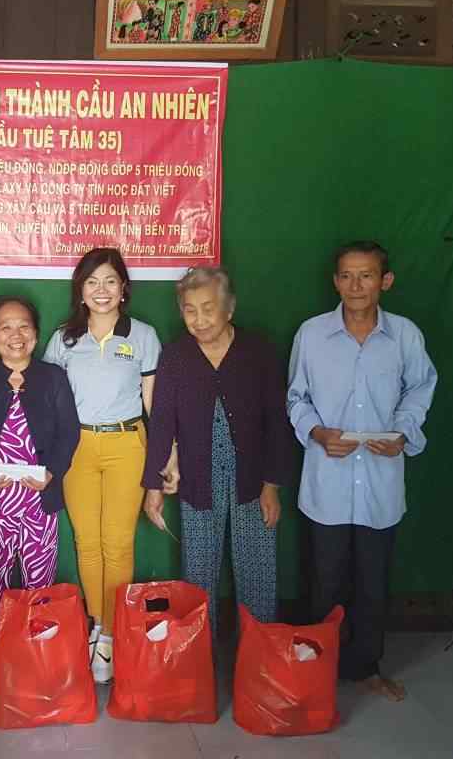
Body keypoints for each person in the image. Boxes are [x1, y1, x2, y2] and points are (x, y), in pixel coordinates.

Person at [287, 241, 437, 702]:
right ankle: (317, 672)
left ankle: (367, 668)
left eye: (367, 275)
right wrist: (316, 432)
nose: (356, 286)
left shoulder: (405, 336)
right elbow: (296, 397)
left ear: (385, 281)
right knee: (324, 581)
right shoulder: (312, 334)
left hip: (379, 479)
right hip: (327, 481)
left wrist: (403, 432)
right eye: (347, 276)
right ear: (335, 282)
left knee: (373, 582)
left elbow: (421, 388)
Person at [143, 266, 290, 642]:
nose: (200, 319)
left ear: (229, 308)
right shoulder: (176, 356)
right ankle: (198, 660)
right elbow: (162, 422)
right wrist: (153, 487)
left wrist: (272, 485)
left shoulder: (258, 351)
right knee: (199, 574)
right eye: (190, 310)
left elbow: (277, 421)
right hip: (197, 480)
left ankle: (258, 660)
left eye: (208, 308)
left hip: (252, 480)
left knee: (257, 572)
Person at [44, 247, 164, 683]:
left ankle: (113, 632)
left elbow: (153, 404)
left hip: (126, 443)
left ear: (124, 288)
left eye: (110, 281)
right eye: (92, 282)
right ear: (80, 290)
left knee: (118, 543)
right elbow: (49, 401)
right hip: (76, 446)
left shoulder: (144, 336)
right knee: (87, 542)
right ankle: (96, 625)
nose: (101, 290)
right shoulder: (63, 339)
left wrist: (166, 455)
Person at [0, 297, 80, 643]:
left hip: (39, 501)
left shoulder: (53, 378)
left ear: (36, 335)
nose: (16, 335)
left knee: (40, 579)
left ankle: (36, 646)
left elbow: (69, 432)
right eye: (5, 327)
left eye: (24, 326)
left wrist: (52, 472)